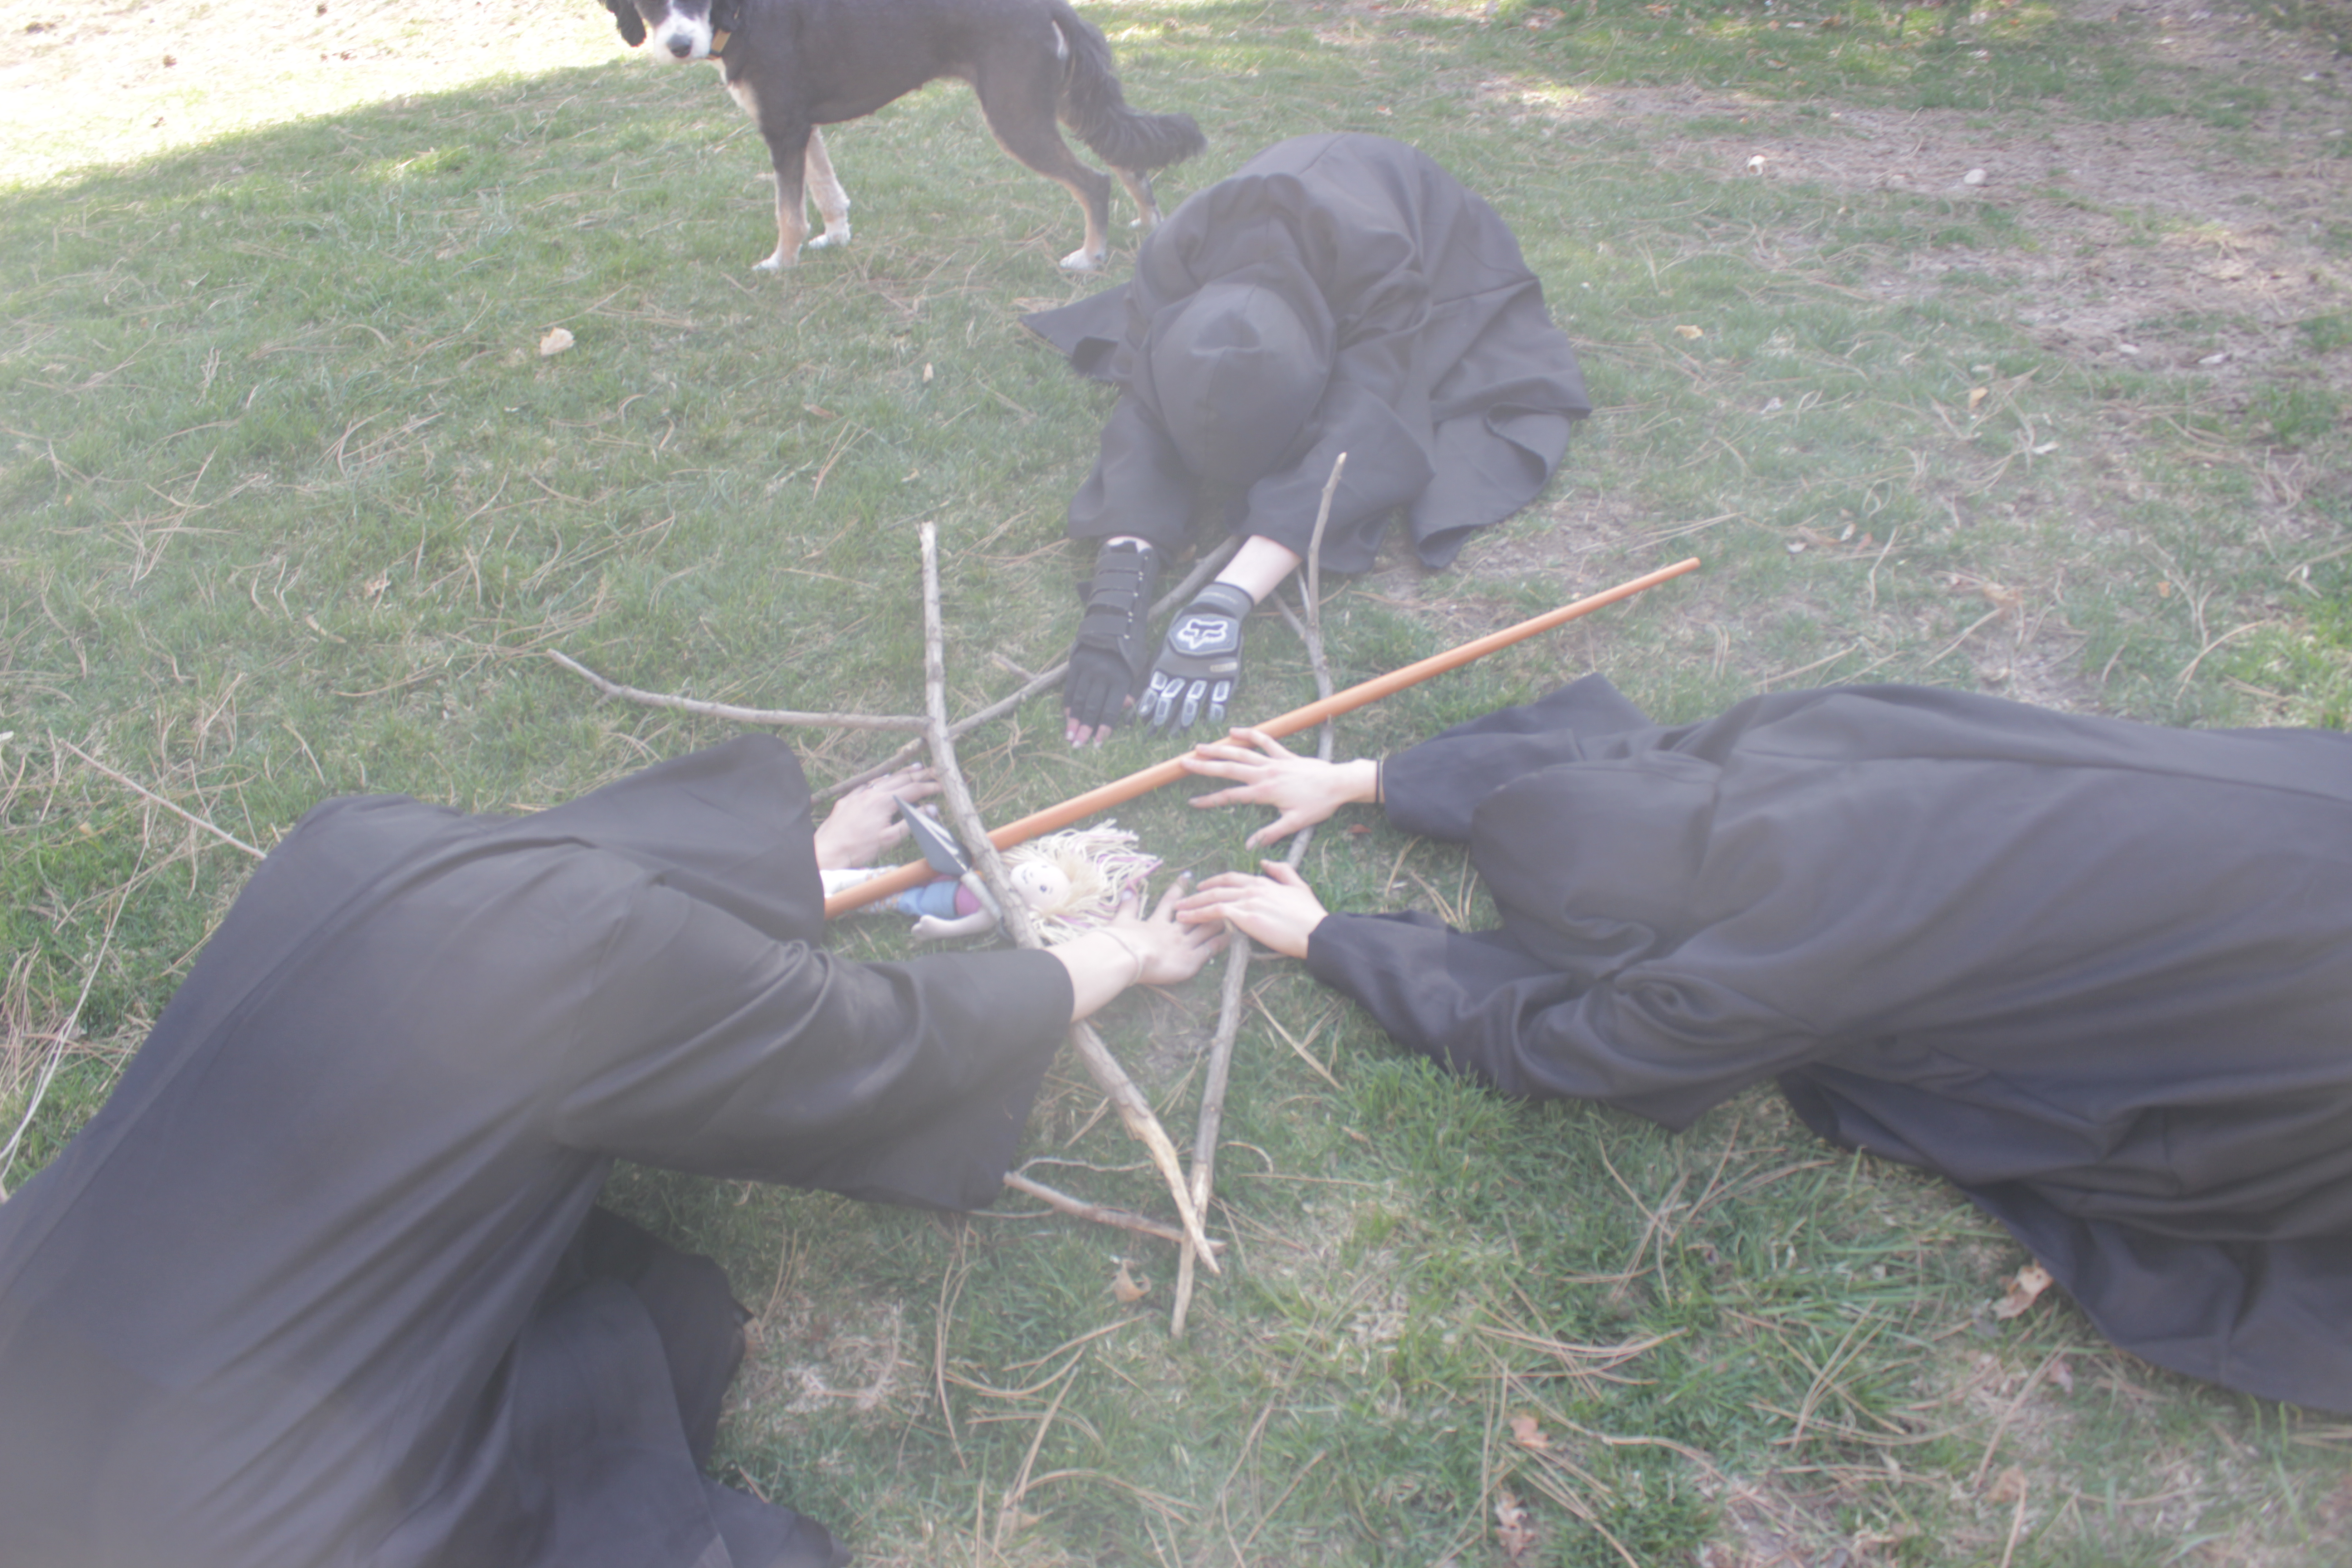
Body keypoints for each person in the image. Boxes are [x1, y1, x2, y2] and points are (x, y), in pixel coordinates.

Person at [0, 741, 1219, 1568]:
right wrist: (1107, 958)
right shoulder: (603, 960)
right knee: (646, 1339)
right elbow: (875, 1047)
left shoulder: (362, 840)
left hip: (33, 1348)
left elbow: (632, 878)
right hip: (220, 1511)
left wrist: (798, 859)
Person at [1174, 677, 2352, 1412]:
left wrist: (1336, 938)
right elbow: (1624, 759)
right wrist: (1369, 777)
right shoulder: (1796, 737)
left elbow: (1572, 1042)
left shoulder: (1774, 959)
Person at [1024, 133, 1593, 744]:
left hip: (1420, 228)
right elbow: (1145, 412)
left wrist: (1227, 600)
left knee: (1420, 394)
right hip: (1253, 236)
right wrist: (1115, 603)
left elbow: (1360, 433)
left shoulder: (1383, 281)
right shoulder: (1171, 259)